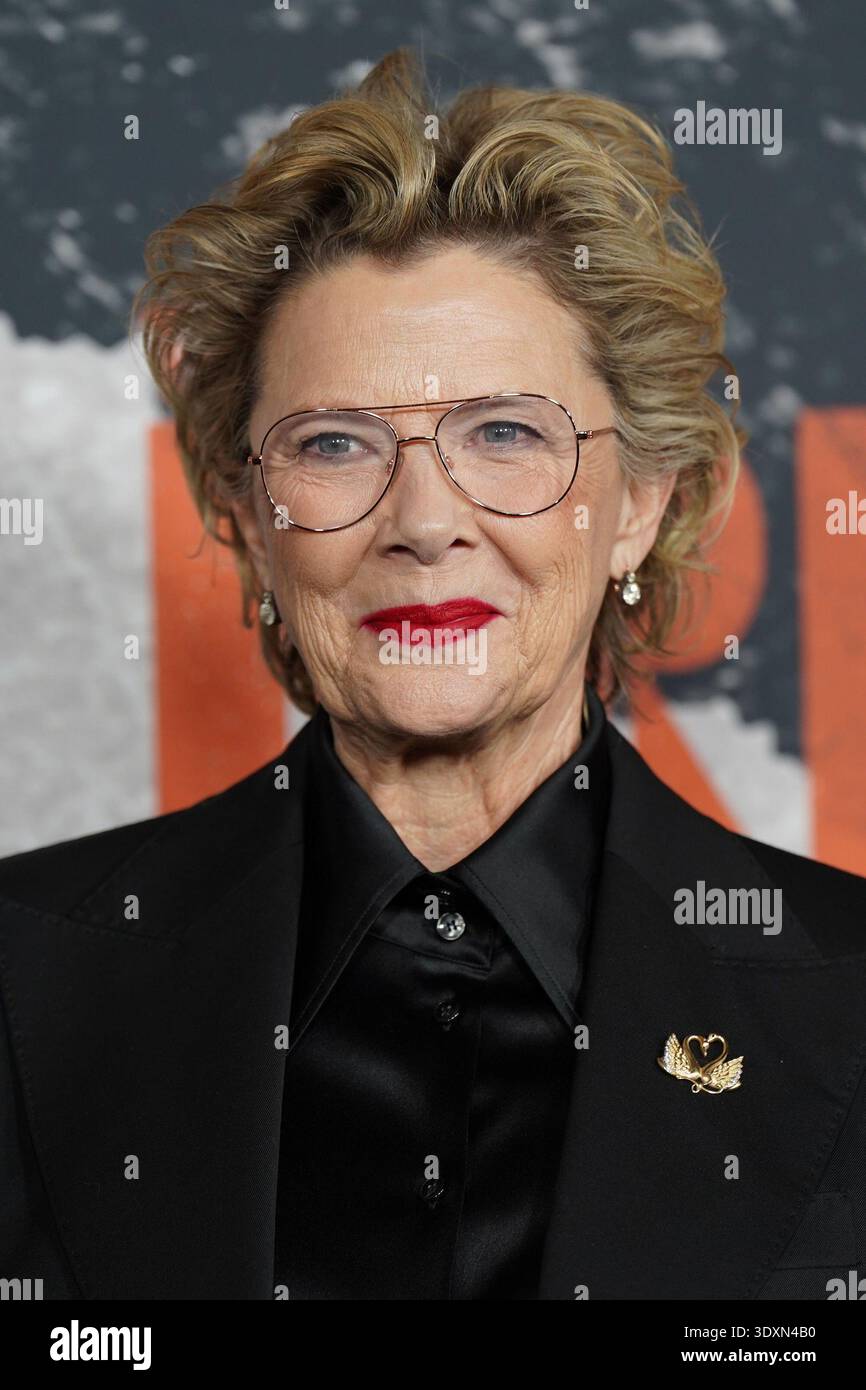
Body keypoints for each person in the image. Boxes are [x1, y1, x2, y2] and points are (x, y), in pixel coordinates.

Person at [1, 50, 864, 1302]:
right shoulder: (25, 980)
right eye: (336, 443)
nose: (422, 520)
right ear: (246, 519)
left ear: (638, 506)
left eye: (504, 433)